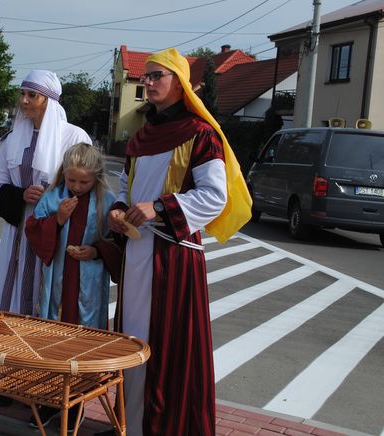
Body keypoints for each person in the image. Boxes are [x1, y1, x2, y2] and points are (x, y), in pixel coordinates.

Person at [102, 48, 251, 436]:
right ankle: (130, 425)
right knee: (130, 340)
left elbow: (214, 196)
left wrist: (159, 208)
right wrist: (119, 209)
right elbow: (125, 184)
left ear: (179, 83)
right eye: (146, 77)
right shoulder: (142, 136)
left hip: (172, 259)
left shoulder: (201, 135)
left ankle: (163, 428)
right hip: (136, 257)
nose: (148, 82)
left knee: (167, 349)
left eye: (156, 76)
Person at [24, 142, 118, 431]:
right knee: (52, 339)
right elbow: (34, 231)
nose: (77, 186)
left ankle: (76, 402)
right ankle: (48, 400)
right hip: (57, 282)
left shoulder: (107, 201)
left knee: (82, 342)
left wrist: (97, 251)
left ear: (97, 178)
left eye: (84, 181)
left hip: (88, 282)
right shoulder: (53, 197)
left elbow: (117, 242)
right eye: (71, 179)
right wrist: (59, 219)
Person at [0, 70, 91, 317]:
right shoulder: (11, 139)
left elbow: (89, 183)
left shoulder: (74, 136)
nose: (24, 100)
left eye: (32, 95)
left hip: (57, 230)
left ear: (49, 101)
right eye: (22, 94)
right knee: (11, 292)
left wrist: (53, 198)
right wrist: (21, 195)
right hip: (19, 231)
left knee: (50, 296)